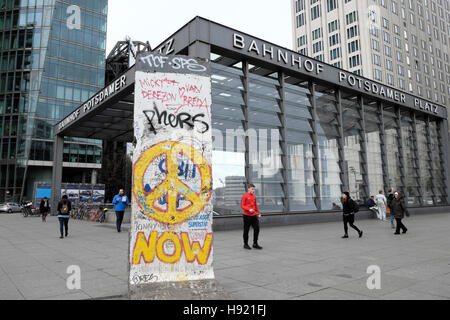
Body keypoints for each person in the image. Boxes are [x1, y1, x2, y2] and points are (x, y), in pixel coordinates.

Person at [241, 184, 262, 250]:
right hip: (247, 216)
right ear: (249, 189)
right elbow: (242, 206)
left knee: (257, 229)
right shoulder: (245, 196)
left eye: (254, 189)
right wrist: (248, 209)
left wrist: (258, 213)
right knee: (246, 230)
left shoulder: (254, 197)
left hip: (254, 216)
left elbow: (255, 206)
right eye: (252, 189)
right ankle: (245, 244)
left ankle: (255, 244)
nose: (253, 190)